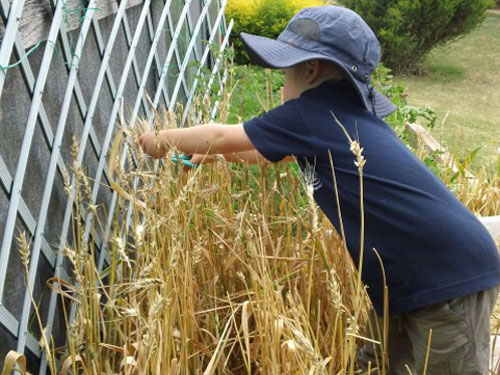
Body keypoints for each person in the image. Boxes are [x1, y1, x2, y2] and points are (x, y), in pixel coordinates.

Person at [138, 5, 500, 374]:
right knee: (381, 364)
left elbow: (220, 134)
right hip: (412, 275)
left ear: (310, 70)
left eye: (284, 74)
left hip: (447, 276)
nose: (282, 85)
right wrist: (215, 157)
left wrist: (159, 140)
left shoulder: (312, 111)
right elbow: (271, 157)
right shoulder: (339, 117)